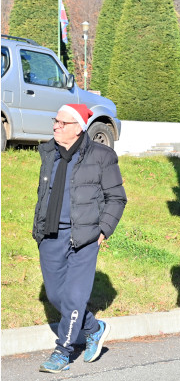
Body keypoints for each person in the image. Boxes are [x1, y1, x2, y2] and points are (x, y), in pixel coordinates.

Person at [34, 104, 127, 373]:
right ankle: (94, 328)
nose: (55, 126)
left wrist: (103, 230)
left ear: (78, 128)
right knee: (55, 294)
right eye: (55, 121)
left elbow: (117, 198)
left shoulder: (102, 156)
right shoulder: (49, 152)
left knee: (74, 296)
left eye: (62, 123)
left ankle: (62, 352)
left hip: (84, 236)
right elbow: (45, 193)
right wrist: (39, 229)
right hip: (50, 234)